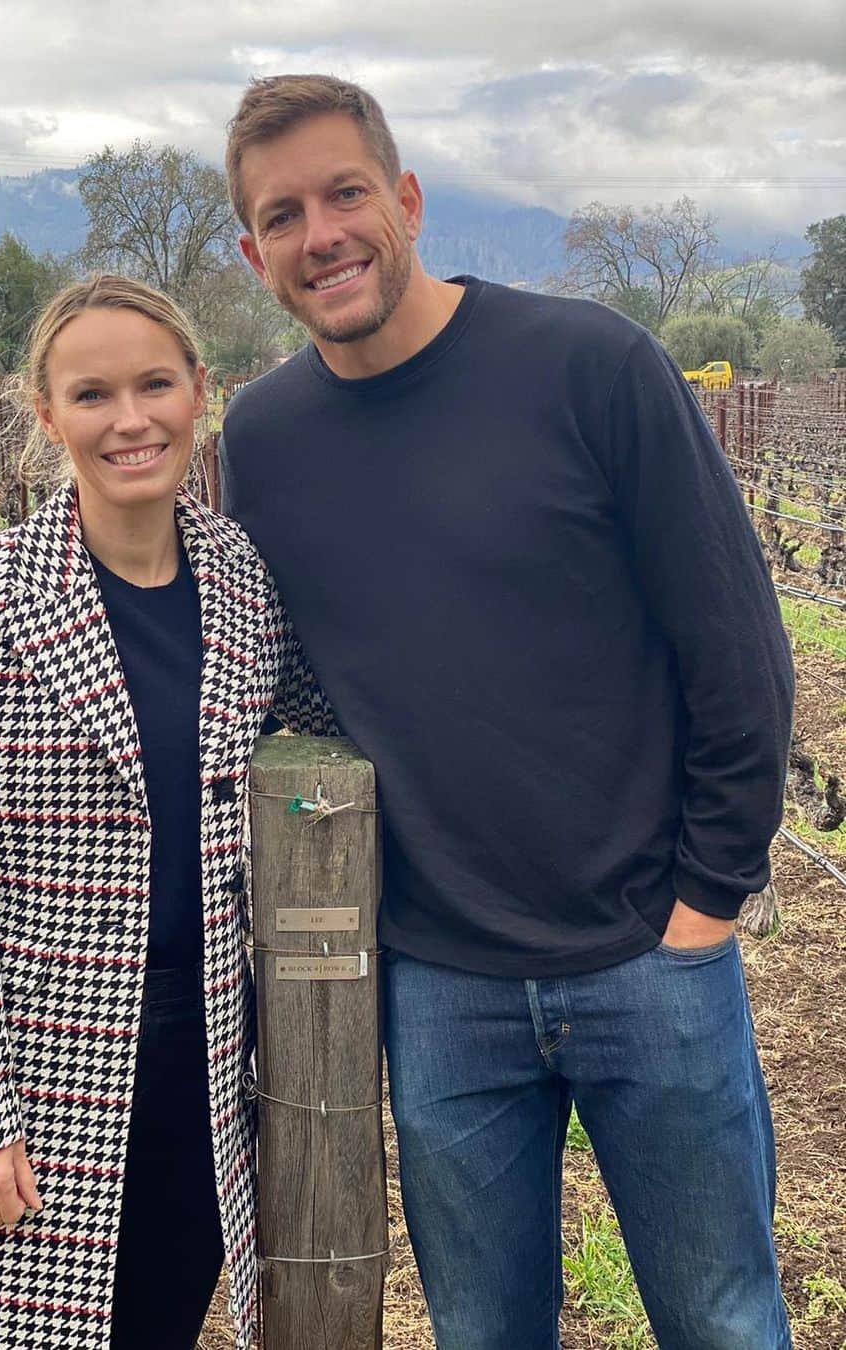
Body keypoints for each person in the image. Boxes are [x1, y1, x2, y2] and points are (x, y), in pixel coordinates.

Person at [219, 75, 795, 1350]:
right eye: (281, 214)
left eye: (345, 193)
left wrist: (706, 904)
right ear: (251, 252)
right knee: (485, 1334)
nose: (321, 234)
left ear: (407, 199)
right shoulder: (262, 439)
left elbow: (739, 651)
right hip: (441, 985)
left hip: (652, 953)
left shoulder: (593, 365)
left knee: (722, 1320)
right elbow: (273, 679)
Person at [0, 274, 329, 1349]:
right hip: (39, 1068)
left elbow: (331, 736)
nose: (129, 420)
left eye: (154, 385)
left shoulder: (248, 581)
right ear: (48, 415)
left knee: (162, 1321)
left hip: (210, 1053)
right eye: (93, 395)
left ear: (200, 393)